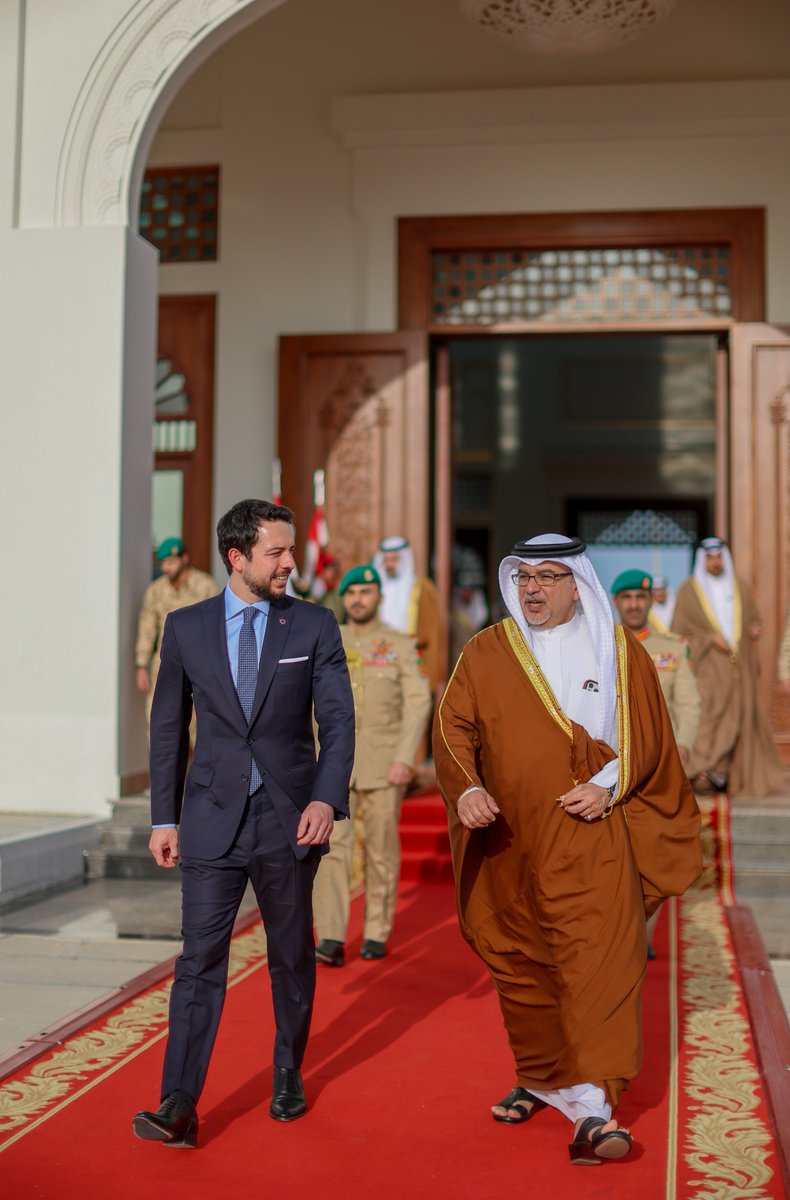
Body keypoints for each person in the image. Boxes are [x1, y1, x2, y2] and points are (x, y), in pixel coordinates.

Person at [433, 534, 701, 1167]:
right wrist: (467, 787)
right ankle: (547, 1079)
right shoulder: (488, 649)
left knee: (599, 967)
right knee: (525, 965)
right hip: (510, 844)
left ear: (577, 583)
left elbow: (652, 739)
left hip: (592, 839)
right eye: (524, 576)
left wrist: (606, 785)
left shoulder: (618, 650)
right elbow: (452, 726)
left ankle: (597, 1112)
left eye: (549, 577)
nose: (533, 588)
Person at [132, 500, 355, 1148]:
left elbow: (338, 723)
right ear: (238, 558)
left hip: (289, 820)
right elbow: (168, 727)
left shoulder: (313, 624)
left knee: (289, 956)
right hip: (209, 818)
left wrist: (324, 798)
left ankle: (288, 1067)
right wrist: (163, 817)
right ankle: (178, 1101)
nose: (290, 563)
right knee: (199, 959)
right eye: (277, 553)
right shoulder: (185, 627)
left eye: (290, 550)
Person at [313, 565, 431, 965]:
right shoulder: (328, 640)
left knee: (381, 849)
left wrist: (404, 757)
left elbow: (418, 702)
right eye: (352, 593)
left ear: (379, 596)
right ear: (343, 599)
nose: (359, 599)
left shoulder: (399, 643)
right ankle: (330, 934)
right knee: (331, 849)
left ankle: (377, 931)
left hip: (384, 764)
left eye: (366, 591)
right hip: (334, 764)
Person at [672, 537, 783, 796]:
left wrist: (753, 627)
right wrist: (708, 639)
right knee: (708, 721)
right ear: (702, 560)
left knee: (739, 720)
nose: (714, 563)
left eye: (718, 557)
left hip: (738, 671)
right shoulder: (689, 590)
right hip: (708, 670)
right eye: (709, 558)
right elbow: (679, 633)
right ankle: (697, 770)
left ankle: (719, 776)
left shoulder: (740, 587)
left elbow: (753, 618)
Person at [611, 569, 700, 773]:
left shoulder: (674, 647)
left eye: (641, 597)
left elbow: (688, 704)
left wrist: (683, 744)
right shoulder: (601, 646)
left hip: (662, 752)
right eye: (627, 598)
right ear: (615, 601)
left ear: (651, 600)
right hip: (612, 753)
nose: (634, 605)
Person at [135, 537, 219, 738]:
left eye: (171, 562)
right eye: (163, 563)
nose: (166, 568)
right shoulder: (156, 590)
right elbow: (147, 627)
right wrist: (141, 664)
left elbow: (218, 626)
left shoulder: (205, 586)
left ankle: (197, 770)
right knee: (160, 722)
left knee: (201, 727)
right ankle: (161, 770)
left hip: (200, 664)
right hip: (164, 664)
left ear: (184, 558)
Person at [372, 536, 443, 692]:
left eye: (395, 560)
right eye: (386, 560)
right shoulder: (375, 591)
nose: (389, 565)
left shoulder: (423, 590)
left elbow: (430, 637)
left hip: (411, 668)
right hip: (379, 667)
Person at [312, 555, 344, 622]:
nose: (331, 571)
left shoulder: (338, 587)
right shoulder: (318, 584)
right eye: (328, 567)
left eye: (333, 568)